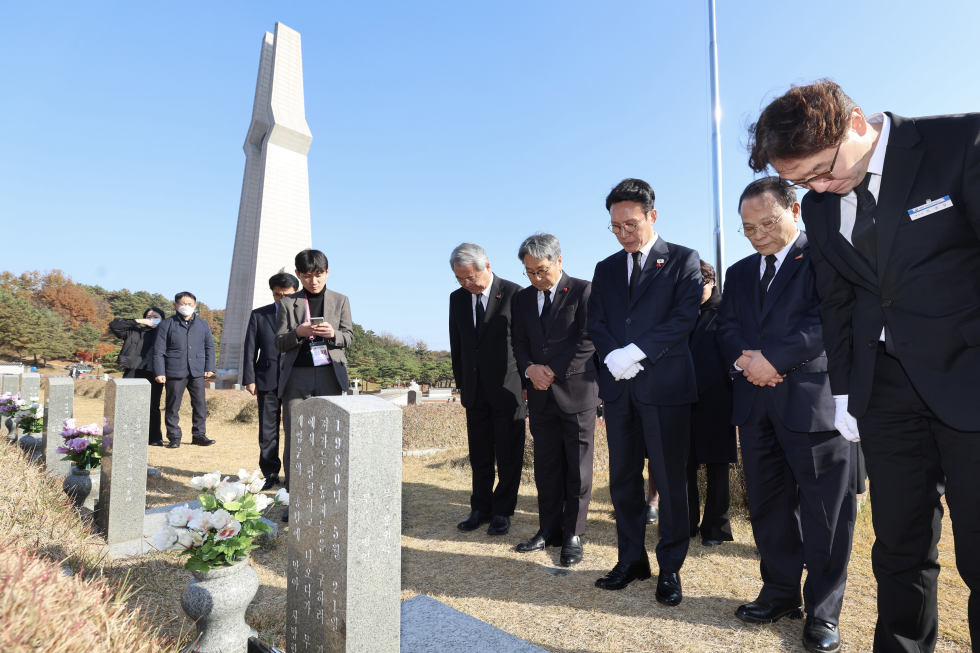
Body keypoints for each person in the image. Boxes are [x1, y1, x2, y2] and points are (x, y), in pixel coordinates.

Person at [747, 80, 980, 653]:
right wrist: (848, 392)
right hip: (887, 396)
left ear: (855, 122)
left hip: (971, 382)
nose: (820, 188)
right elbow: (839, 300)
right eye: (804, 182)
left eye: (822, 171)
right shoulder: (824, 207)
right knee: (899, 548)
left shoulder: (961, 141)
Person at [716, 177, 856, 653]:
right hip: (756, 407)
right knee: (769, 508)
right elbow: (725, 326)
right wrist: (745, 359)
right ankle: (779, 593)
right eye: (748, 228)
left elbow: (829, 319)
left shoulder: (824, 254)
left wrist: (772, 360)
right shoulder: (736, 274)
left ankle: (823, 611)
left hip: (813, 403)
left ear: (794, 209)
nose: (758, 235)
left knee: (826, 514)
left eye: (767, 223)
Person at [587, 178, 702, 605]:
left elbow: (683, 317)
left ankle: (670, 568)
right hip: (619, 390)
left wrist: (635, 352)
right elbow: (595, 320)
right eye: (615, 226)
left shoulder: (683, 260)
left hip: (665, 386)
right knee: (623, 480)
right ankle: (631, 559)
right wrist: (613, 356)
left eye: (630, 224)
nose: (623, 233)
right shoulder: (606, 268)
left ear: (652, 216)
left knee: (671, 482)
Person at [511, 233, 599, 566]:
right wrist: (530, 369)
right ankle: (547, 529)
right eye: (529, 271)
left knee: (577, 467)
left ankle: (573, 533)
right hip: (540, 395)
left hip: (576, 392)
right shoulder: (521, 299)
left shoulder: (584, 290)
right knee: (546, 466)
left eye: (542, 270)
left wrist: (552, 370)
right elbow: (517, 342)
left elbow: (588, 339)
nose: (536, 277)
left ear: (559, 261)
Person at [448, 243, 524, 536]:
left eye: (470, 277)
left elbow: (523, 343)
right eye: (460, 279)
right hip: (474, 390)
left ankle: (502, 511)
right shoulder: (457, 299)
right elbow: (458, 346)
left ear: (487, 266)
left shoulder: (515, 294)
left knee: (507, 454)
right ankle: (480, 507)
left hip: (508, 388)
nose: (466, 284)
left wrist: (525, 386)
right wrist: (462, 385)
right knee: (479, 453)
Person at [275, 249, 353, 518]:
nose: (313, 281)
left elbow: (349, 336)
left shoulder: (340, 300)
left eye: (318, 275)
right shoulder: (288, 303)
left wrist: (334, 334)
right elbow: (279, 342)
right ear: (298, 275)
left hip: (330, 375)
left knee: (330, 438)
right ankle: (295, 499)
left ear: (327, 272)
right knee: (296, 439)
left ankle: (328, 496)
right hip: (297, 375)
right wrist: (298, 333)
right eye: (307, 276)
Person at [686, 260, 737, 547]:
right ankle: (686, 522)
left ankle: (716, 528)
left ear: (711, 282)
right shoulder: (683, 312)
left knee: (718, 466)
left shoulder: (726, 310)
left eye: (699, 287)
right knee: (685, 465)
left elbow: (728, 353)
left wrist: (699, 382)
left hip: (718, 398)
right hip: (685, 400)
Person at [243, 271, 299, 490]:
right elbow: (250, 349)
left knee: (295, 428)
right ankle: (270, 472)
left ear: (296, 293)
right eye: (277, 295)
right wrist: (249, 378)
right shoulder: (259, 315)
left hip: (296, 378)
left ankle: (294, 473)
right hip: (267, 378)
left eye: (286, 294)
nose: (281, 299)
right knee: (268, 428)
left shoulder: (303, 315)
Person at [153, 292, 216, 448]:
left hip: (198, 371)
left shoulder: (203, 324)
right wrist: (159, 372)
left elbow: (210, 347)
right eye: (182, 304)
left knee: (200, 404)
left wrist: (209, 367)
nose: (186, 307)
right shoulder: (166, 324)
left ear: (195, 305)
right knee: (173, 405)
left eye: (190, 304)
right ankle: (174, 436)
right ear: (175, 305)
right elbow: (158, 350)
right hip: (174, 370)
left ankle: (199, 435)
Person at [109, 307, 167, 445]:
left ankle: (155, 437)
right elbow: (114, 326)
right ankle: (126, 434)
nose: (152, 319)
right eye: (148, 316)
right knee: (128, 403)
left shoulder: (166, 333)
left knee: (153, 405)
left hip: (155, 372)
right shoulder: (134, 330)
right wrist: (139, 321)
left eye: (155, 316)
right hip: (133, 369)